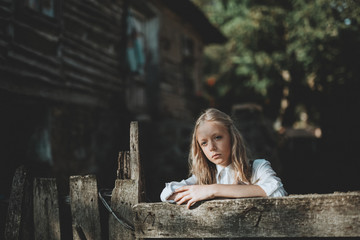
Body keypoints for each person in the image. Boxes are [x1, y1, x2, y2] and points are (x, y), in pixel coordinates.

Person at [160, 108, 287, 209]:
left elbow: (278, 192)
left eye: (217, 137)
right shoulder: (203, 178)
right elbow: (166, 194)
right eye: (204, 143)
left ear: (232, 137)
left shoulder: (257, 167)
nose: (211, 147)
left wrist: (213, 190)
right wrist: (201, 190)